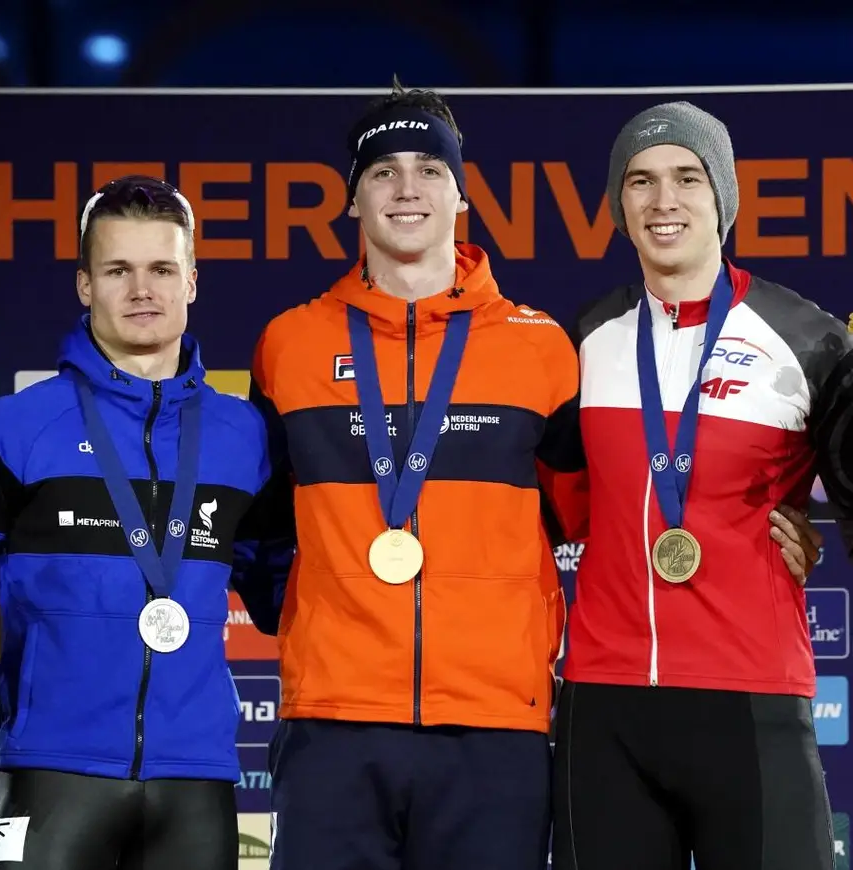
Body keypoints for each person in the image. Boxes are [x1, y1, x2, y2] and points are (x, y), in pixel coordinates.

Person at [250, 81, 817, 870]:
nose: (407, 189)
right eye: (383, 172)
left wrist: (775, 524)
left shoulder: (543, 349)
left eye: (430, 169)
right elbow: (259, 520)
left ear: (461, 193)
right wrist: (319, 620)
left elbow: (586, 508)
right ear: (352, 198)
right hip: (333, 718)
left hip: (497, 725)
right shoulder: (289, 345)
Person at [551, 102, 846, 870]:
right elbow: (555, 507)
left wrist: (809, 526)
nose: (664, 201)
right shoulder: (582, 340)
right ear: (619, 207)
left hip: (751, 695)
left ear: (723, 196)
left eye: (688, 178)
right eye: (640, 181)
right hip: (607, 702)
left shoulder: (806, 338)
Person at [0, 175, 292, 870]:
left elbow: (283, 593)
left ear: (191, 282)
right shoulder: (13, 429)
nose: (141, 290)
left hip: (196, 780)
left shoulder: (244, 436)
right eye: (117, 270)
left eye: (161, 269)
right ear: (84, 285)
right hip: (51, 768)